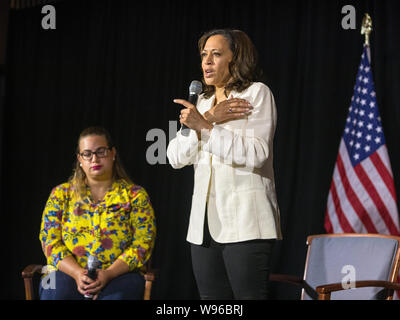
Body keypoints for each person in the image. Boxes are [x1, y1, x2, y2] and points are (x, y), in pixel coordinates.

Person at [167, 29, 282, 300]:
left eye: (216, 54)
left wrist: (206, 127)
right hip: (203, 227)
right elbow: (174, 157)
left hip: (245, 223)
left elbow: (257, 153)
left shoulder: (257, 94)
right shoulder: (203, 102)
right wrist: (207, 118)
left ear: (236, 58)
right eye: (204, 55)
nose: (207, 61)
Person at [39, 126, 156, 300]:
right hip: (68, 272)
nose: (94, 159)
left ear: (113, 153)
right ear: (80, 159)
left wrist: (108, 274)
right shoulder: (61, 194)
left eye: (101, 151)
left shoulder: (135, 195)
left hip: (119, 273)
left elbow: (143, 243)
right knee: (56, 293)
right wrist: (78, 273)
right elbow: (49, 240)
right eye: (87, 154)